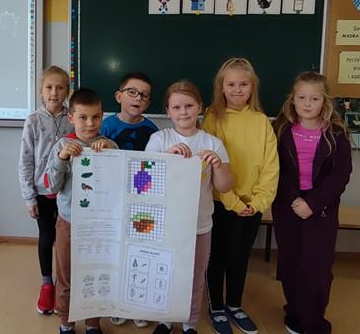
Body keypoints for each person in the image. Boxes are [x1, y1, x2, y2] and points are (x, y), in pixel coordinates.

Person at [145, 80, 233, 334]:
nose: (183, 112)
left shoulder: (213, 143)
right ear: (168, 111)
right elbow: (143, 183)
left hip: (199, 225)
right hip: (165, 225)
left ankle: (189, 324)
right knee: (165, 273)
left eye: (189, 106)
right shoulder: (159, 139)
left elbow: (224, 186)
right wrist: (166, 159)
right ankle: (165, 320)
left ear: (200, 107)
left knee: (194, 276)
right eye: (176, 107)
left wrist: (218, 165)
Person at [203, 58, 279, 334]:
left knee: (239, 258)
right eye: (231, 84)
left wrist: (257, 202)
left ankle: (234, 304)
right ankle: (217, 306)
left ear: (252, 87)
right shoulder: (213, 118)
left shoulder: (261, 122)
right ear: (221, 87)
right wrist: (232, 201)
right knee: (218, 258)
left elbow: (271, 167)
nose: (237, 90)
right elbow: (210, 165)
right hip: (221, 203)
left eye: (243, 84)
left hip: (250, 206)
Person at [272, 72, 352, 334]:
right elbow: (274, 169)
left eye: (314, 98)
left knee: (317, 268)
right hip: (288, 207)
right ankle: (295, 312)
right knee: (291, 263)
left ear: (324, 101)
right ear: (293, 100)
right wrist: (294, 199)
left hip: (321, 210)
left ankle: (314, 322)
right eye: (302, 98)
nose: (307, 104)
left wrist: (313, 203)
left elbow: (340, 175)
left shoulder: (336, 134)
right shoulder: (280, 129)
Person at [47, 88, 118, 334]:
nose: (90, 123)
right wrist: (62, 158)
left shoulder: (109, 145)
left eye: (96, 117)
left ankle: (92, 324)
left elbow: (118, 185)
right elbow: (51, 186)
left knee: (95, 274)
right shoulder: (62, 145)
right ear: (71, 117)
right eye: (83, 117)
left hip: (99, 224)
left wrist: (111, 154)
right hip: (69, 222)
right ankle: (66, 324)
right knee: (66, 275)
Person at [101, 71, 158, 329]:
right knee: (115, 251)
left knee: (139, 251)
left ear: (148, 102)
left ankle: (138, 302)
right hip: (112, 200)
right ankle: (116, 302)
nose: (138, 98)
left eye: (144, 95)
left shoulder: (152, 131)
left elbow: (156, 168)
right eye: (132, 92)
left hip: (141, 200)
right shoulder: (106, 126)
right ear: (119, 96)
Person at [18, 66, 73, 315]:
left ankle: (65, 283)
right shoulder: (33, 121)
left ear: (67, 91)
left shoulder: (73, 118)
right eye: (49, 87)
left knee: (65, 239)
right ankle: (47, 284)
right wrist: (29, 197)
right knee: (47, 237)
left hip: (67, 192)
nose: (54, 92)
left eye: (60, 87)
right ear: (41, 90)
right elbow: (26, 161)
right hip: (42, 192)